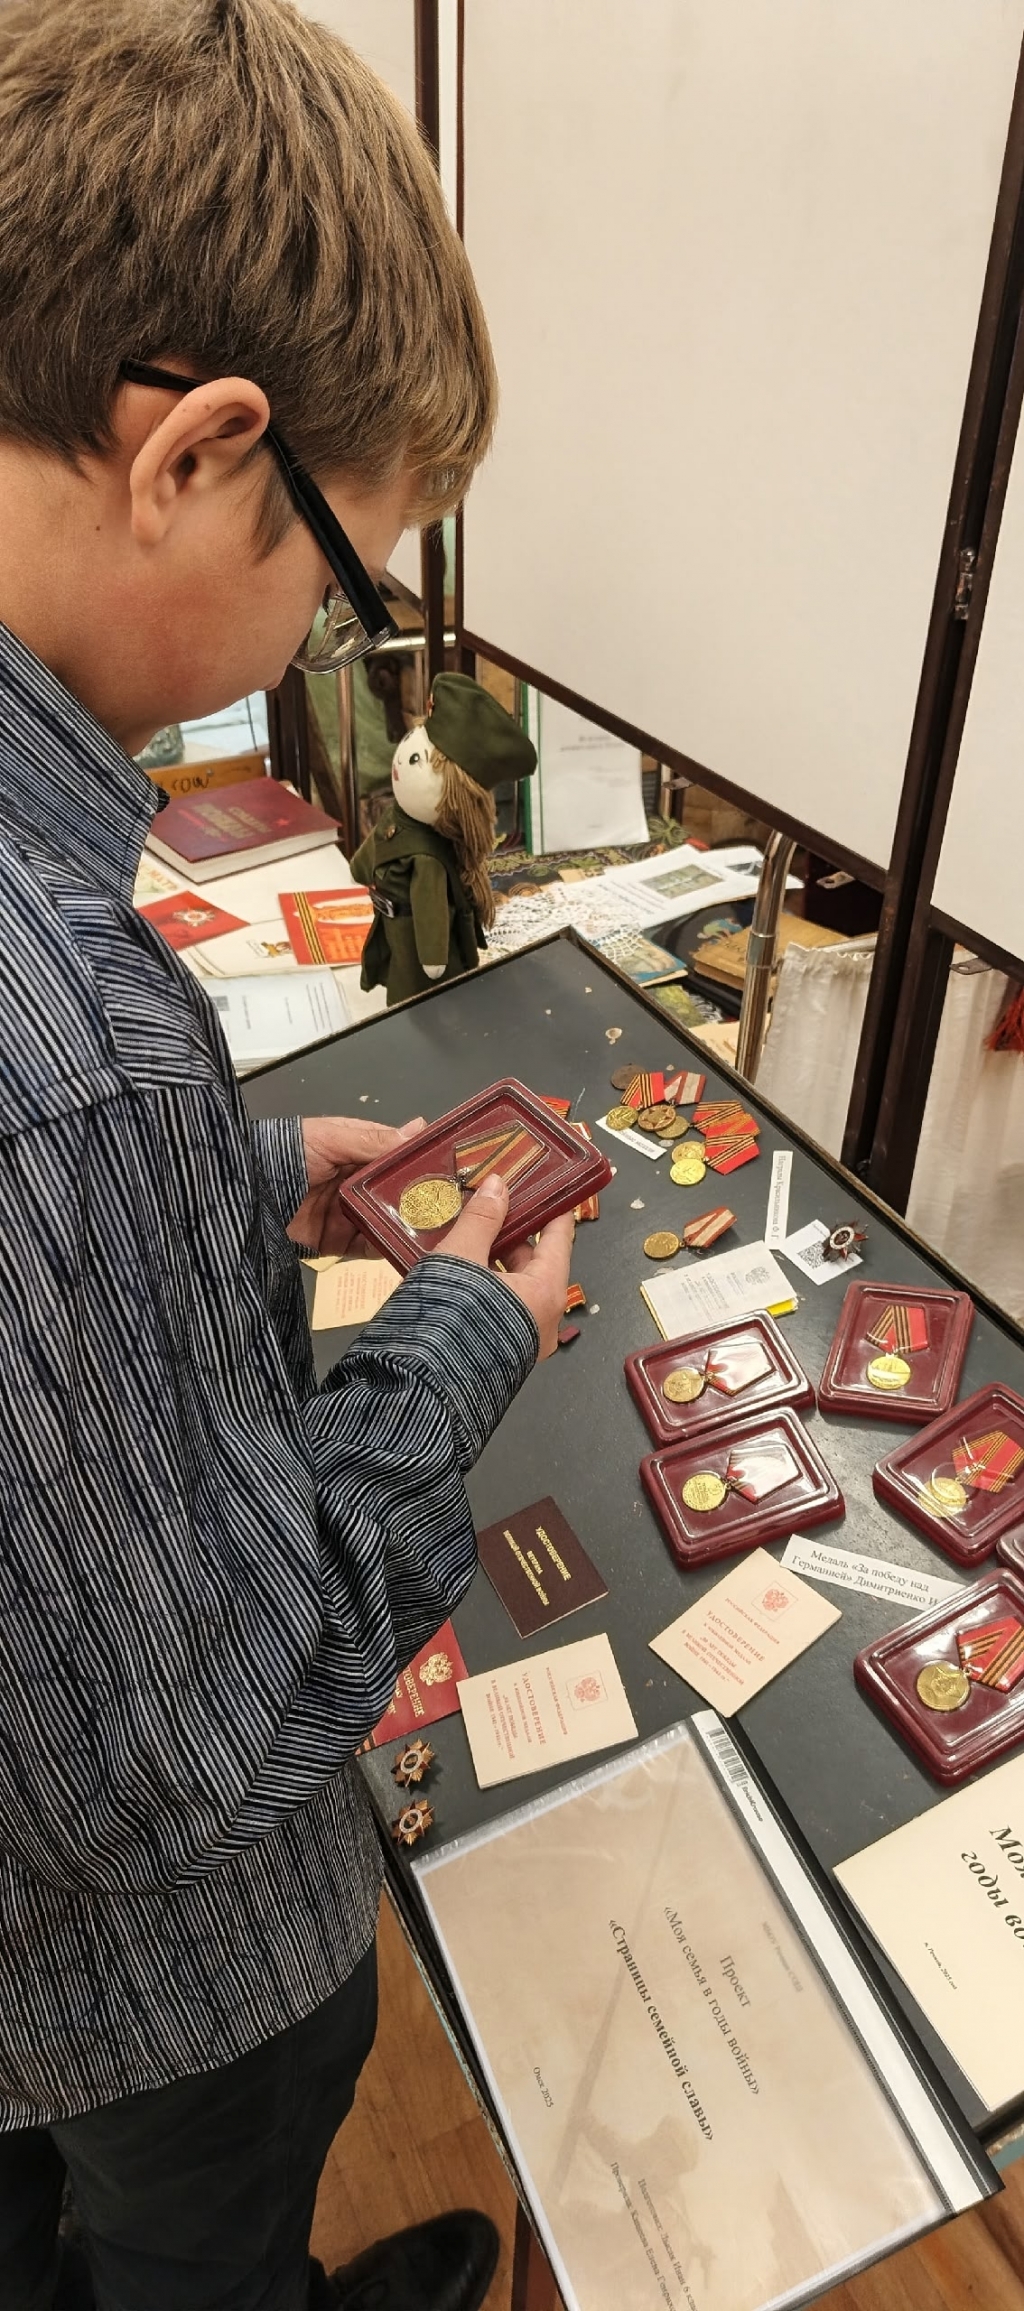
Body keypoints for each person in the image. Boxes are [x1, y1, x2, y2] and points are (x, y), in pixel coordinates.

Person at [0, 3, 573, 2306]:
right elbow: (199, 1727)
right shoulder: (69, 1035)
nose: (322, 629)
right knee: (200, 2232)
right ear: (199, 451)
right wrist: (458, 1337)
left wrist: (224, 1188)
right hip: (147, 1985)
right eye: (341, 565)